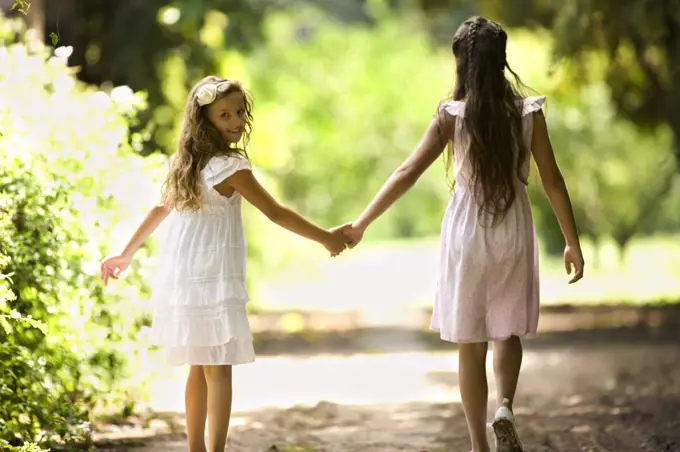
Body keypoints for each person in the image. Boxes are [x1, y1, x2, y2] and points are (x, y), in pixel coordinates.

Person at [339, 17, 584, 452]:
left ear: (461, 64)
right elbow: (554, 181)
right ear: (501, 61)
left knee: (470, 343)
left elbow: (407, 172)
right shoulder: (528, 114)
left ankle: (477, 445)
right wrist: (572, 242)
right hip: (512, 226)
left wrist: (362, 223)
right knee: (506, 333)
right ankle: (504, 405)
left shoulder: (452, 116)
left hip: (466, 231)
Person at [100, 76, 349, 452]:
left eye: (239, 113)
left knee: (199, 367)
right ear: (205, 121)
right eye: (224, 115)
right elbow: (276, 212)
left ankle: (197, 449)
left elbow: (158, 209)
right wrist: (326, 237)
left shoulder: (184, 163)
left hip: (182, 274)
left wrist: (127, 252)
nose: (235, 122)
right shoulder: (230, 166)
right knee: (217, 369)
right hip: (211, 275)